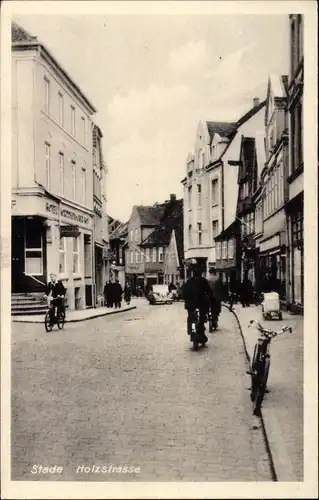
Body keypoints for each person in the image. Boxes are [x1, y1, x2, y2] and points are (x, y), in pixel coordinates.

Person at [182, 263, 212, 343]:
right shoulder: (204, 281)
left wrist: (186, 300)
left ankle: (191, 331)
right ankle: (201, 334)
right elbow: (209, 292)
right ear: (201, 273)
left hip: (191, 305)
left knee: (191, 317)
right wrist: (210, 298)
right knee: (201, 319)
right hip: (201, 305)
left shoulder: (189, 282)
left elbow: (184, 293)